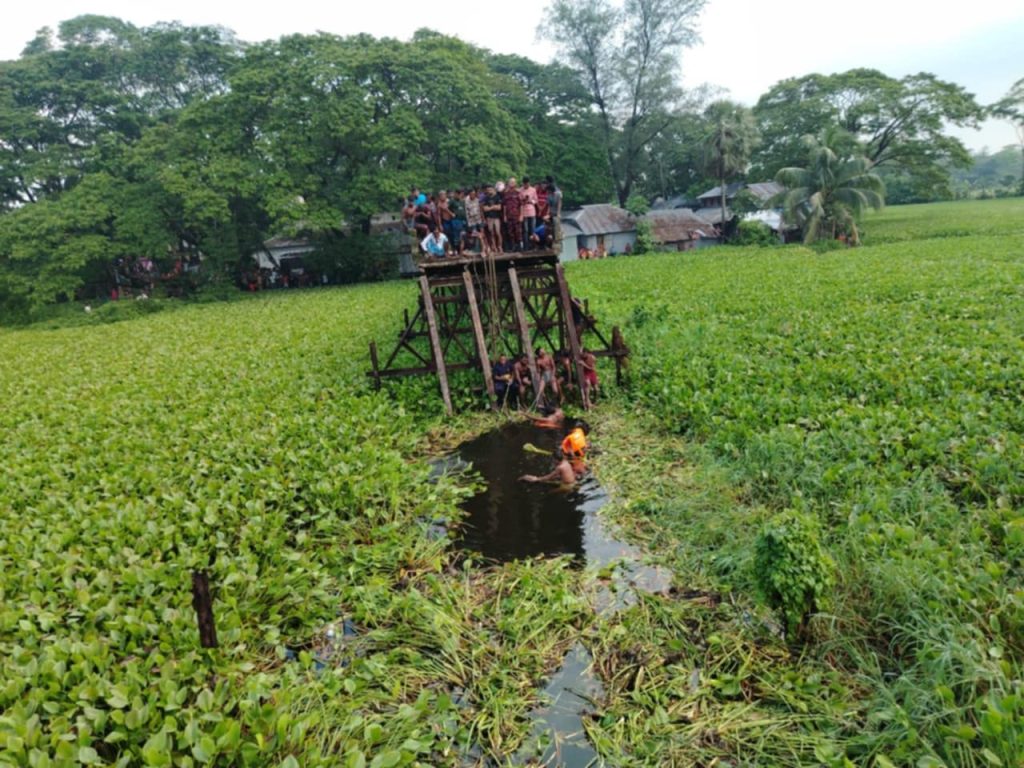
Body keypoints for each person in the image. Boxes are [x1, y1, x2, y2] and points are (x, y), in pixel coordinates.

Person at [482, 184, 504, 254]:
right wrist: (494, 207)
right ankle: (494, 247)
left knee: (498, 233)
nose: (489, 191)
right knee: (491, 233)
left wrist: (490, 207)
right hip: (489, 218)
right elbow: (485, 209)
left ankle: (500, 247)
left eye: (490, 189)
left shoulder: (497, 197)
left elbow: (499, 207)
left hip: (496, 217)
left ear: (493, 189)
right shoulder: (486, 198)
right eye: (488, 190)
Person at [502, 177, 523, 252]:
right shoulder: (506, 193)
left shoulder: (518, 192)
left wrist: (521, 215)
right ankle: (513, 246)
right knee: (510, 232)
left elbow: (521, 205)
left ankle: (519, 246)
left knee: (518, 231)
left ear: (515, 183)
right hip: (508, 215)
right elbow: (504, 205)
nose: (511, 184)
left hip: (516, 215)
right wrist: (504, 215)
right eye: (510, 182)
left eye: (513, 182)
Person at [519, 177, 539, 247]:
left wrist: (531, 201)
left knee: (532, 229)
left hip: (532, 210)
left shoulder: (533, 190)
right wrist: (524, 200)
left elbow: (536, 200)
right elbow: (519, 201)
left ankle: (533, 244)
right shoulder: (520, 190)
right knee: (525, 229)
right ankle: (526, 245)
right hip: (524, 211)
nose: (526, 185)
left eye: (527, 184)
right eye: (524, 184)